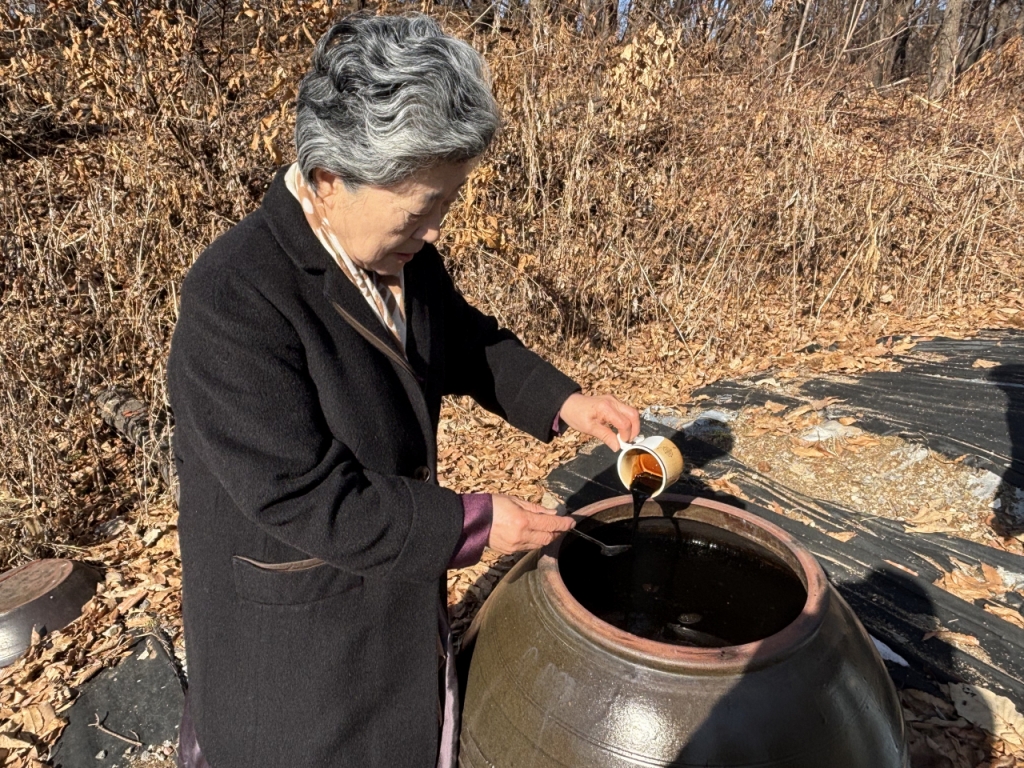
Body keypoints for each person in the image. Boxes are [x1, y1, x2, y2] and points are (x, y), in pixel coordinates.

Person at [166, 12, 640, 768]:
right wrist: (472, 523)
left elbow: (468, 342)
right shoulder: (235, 298)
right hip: (296, 642)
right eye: (421, 207)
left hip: (391, 602)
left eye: (447, 201)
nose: (434, 226)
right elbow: (302, 495)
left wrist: (563, 402)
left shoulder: (404, 261)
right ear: (330, 179)